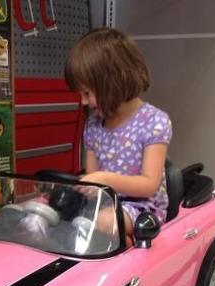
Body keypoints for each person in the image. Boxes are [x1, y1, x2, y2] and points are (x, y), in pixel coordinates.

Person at [64, 27, 172, 243]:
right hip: (104, 202)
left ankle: (128, 249)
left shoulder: (154, 122)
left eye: (87, 93)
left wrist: (105, 180)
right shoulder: (94, 124)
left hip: (142, 208)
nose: (84, 102)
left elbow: (149, 184)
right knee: (60, 209)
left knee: (104, 221)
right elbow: (93, 182)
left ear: (112, 83)